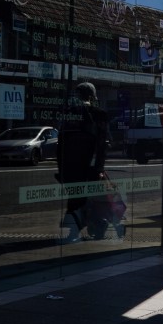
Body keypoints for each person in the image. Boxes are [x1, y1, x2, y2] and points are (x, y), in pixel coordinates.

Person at [57, 82, 109, 242]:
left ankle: (80, 228)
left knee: (77, 198)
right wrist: (99, 167)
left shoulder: (68, 115)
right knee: (89, 198)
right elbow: (103, 143)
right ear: (92, 96)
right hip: (89, 166)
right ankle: (94, 225)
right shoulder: (98, 114)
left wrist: (61, 168)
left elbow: (61, 144)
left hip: (71, 166)